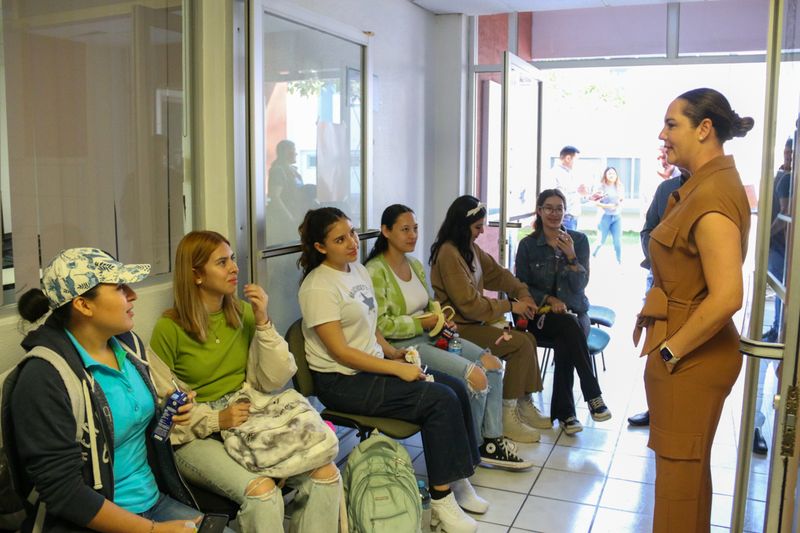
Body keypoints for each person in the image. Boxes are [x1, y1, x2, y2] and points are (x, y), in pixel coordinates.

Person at [298, 207, 483, 532]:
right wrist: (395, 370)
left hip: (372, 367)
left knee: (454, 387)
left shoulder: (357, 270)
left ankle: (458, 479)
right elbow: (341, 351)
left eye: (352, 233)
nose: (352, 243)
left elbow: (371, 326)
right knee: (439, 400)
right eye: (340, 239)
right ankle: (442, 503)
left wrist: (394, 353)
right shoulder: (317, 287)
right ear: (320, 247)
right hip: (342, 381)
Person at [10, 248, 213, 532]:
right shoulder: (44, 378)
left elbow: (136, 429)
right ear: (83, 305)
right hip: (99, 521)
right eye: (119, 287)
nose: (133, 294)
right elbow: (63, 493)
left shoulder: (128, 345)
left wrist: (168, 412)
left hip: (153, 501)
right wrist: (154, 531)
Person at [150, 231, 340, 533]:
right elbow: (164, 407)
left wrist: (263, 319)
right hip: (195, 433)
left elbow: (277, 376)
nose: (234, 268)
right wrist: (216, 419)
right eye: (222, 262)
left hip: (246, 417)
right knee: (263, 494)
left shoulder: (243, 313)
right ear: (196, 275)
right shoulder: (169, 328)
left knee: (325, 473)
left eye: (233, 260)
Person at [635, 88, 753, 532]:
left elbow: (727, 296)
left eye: (671, 124)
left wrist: (671, 351)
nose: (662, 134)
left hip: (691, 356)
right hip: (687, 350)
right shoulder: (700, 185)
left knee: (677, 488)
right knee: (686, 477)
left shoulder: (712, 194)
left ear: (704, 129)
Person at [365, 204, 538, 470]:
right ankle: (476, 443)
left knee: (492, 364)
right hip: (406, 347)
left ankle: (491, 440)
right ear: (386, 231)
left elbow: (430, 305)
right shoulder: (376, 271)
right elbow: (382, 326)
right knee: (475, 375)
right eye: (405, 230)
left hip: (433, 335)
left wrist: (440, 321)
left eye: (415, 229)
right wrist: (425, 322)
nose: (412, 235)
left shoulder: (415, 266)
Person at [428, 195, 552, 439]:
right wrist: (510, 305)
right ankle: (507, 416)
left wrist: (522, 293)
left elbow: (499, 274)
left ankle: (523, 403)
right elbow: (470, 306)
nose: (481, 231)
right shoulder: (448, 254)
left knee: (528, 340)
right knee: (518, 345)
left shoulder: (469, 249)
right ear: (462, 226)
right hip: (457, 330)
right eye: (477, 227)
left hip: (475, 323)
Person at [515, 190, 612, 435]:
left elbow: (580, 286)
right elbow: (520, 285)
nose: (554, 213)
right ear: (539, 210)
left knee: (568, 335)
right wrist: (548, 298)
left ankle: (567, 413)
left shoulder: (578, 241)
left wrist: (571, 257)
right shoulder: (528, 245)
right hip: (540, 315)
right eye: (548, 208)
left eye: (559, 208)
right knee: (569, 330)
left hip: (575, 313)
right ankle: (591, 398)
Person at [627, 158, 686, 428]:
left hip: (692, 292)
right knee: (656, 349)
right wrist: (658, 259)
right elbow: (647, 230)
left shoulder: (711, 191)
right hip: (659, 284)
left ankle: (678, 413)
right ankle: (656, 410)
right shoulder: (666, 190)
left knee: (683, 351)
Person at [544, 145, 584, 230]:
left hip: (573, 217)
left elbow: (572, 195)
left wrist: (584, 195)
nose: (578, 163)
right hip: (564, 218)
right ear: (568, 158)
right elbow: (551, 197)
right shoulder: (554, 173)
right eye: (577, 160)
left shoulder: (571, 173)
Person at [591, 167, 623, 264]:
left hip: (617, 217)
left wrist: (619, 204)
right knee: (601, 241)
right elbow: (594, 202)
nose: (611, 175)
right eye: (609, 173)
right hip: (604, 217)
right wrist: (607, 206)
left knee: (617, 242)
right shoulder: (601, 187)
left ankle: (619, 261)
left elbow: (621, 200)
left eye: (613, 173)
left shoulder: (619, 186)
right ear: (605, 175)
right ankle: (592, 255)